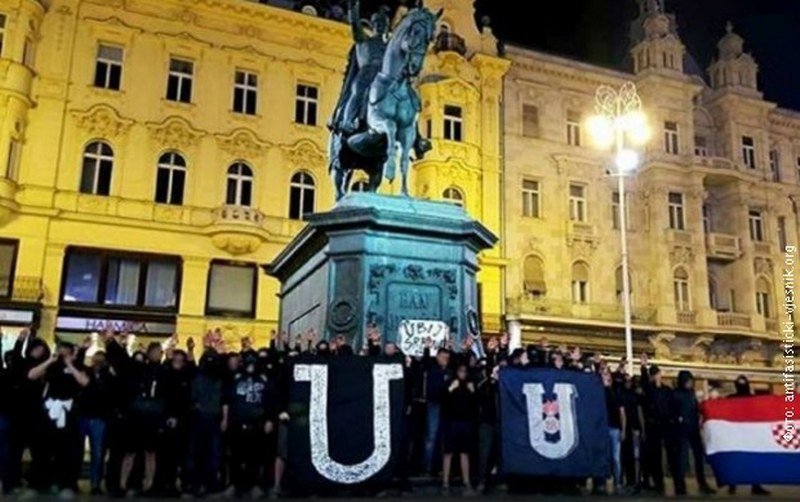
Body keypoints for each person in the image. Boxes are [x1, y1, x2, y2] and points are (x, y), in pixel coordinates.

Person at [106, 335, 169, 496]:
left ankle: (148, 485)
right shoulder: (140, 368)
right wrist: (112, 343)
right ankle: (122, 484)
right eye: (154, 352)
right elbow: (123, 360)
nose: (157, 354)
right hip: (137, 415)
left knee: (150, 452)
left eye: (159, 352)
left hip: (153, 416)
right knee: (130, 451)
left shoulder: (164, 371)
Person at [27, 340, 90, 498]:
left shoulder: (78, 366)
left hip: (68, 411)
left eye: (66, 351)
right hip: (49, 410)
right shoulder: (51, 365)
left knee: (67, 451)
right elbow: (32, 375)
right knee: (43, 449)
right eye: (60, 350)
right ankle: (39, 483)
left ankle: (65, 484)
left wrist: (70, 365)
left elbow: (84, 382)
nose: (62, 353)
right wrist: (50, 360)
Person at [225, 350, 278, 498]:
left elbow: (271, 402)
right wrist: (227, 420)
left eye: (253, 363)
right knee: (235, 456)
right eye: (248, 363)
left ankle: (255, 485)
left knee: (255, 457)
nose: (250, 366)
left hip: (257, 424)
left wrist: (269, 420)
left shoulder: (264, 380)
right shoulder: (236, 379)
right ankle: (235, 485)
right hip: (238, 422)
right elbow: (228, 401)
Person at [77, 348, 116, 495]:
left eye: (101, 359)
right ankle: (75, 481)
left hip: (99, 417)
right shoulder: (86, 372)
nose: (98, 361)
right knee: (78, 451)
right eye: (96, 358)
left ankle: (95, 484)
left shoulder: (109, 377)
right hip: (84, 415)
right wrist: (82, 351)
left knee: (98, 453)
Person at [672, 370, 715, 496]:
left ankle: (702, 483)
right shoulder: (676, 395)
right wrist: (678, 419)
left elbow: (695, 408)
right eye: (688, 381)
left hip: (693, 429)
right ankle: (680, 486)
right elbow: (672, 411)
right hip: (682, 431)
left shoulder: (691, 394)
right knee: (682, 458)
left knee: (698, 457)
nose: (690, 383)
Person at [726, 375, 770, 496]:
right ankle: (736, 484)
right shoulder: (735, 399)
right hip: (739, 434)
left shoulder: (746, 399)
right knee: (739, 460)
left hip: (747, 434)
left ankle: (750, 485)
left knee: (749, 460)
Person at [639, 354, 673, 494]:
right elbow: (644, 383)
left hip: (664, 424)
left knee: (662, 454)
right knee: (653, 454)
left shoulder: (666, 390)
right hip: (652, 425)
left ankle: (660, 481)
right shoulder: (649, 389)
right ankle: (654, 480)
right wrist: (643, 366)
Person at [441, 363, 476, 495]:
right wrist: (450, 388)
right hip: (451, 422)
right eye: (460, 371)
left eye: (464, 371)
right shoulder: (451, 383)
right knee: (448, 452)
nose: (462, 374)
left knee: (464, 452)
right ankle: (445, 482)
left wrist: (473, 392)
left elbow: (476, 403)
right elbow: (442, 399)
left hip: (465, 422)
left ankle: (466, 481)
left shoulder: (469, 385)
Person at [593, 370, 625, 495]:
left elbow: (622, 413)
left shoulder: (616, 393)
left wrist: (623, 429)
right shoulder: (598, 393)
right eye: (603, 375)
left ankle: (617, 483)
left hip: (614, 428)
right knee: (603, 456)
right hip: (603, 429)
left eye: (607, 375)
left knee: (615, 458)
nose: (605, 377)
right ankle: (602, 483)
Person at [422, 346, 451, 475]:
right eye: (443, 357)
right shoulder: (433, 370)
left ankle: (438, 466)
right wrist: (427, 348)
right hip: (434, 404)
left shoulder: (449, 372)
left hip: (446, 407)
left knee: (441, 438)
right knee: (432, 436)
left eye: (447, 358)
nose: (445, 360)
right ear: (438, 357)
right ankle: (428, 466)